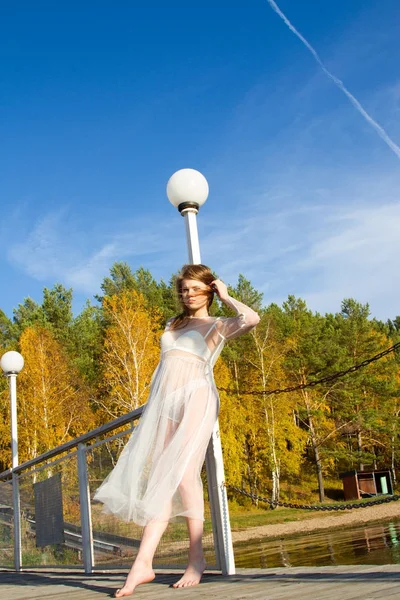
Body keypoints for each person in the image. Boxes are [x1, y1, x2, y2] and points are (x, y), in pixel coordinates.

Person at [94, 264, 260, 597]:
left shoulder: (217, 325)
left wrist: (226, 296)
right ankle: (143, 563)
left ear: (208, 291)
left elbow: (252, 319)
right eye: (183, 290)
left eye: (194, 289)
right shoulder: (174, 323)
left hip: (197, 395)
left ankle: (196, 559)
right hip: (165, 402)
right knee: (160, 478)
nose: (187, 295)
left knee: (184, 476)